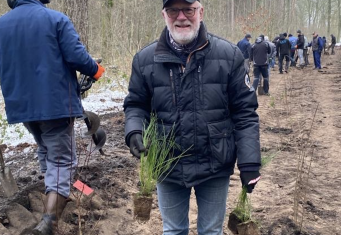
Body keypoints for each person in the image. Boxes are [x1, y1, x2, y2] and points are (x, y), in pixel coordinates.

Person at [123, 0, 261, 234]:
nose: (181, 17)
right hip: (168, 163)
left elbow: (245, 112)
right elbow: (136, 105)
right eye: (173, 10)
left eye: (188, 9)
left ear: (201, 12)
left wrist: (249, 162)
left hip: (215, 161)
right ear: (164, 14)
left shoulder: (229, 55)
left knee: (210, 231)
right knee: (174, 230)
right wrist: (134, 130)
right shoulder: (145, 60)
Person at [0, 0, 105, 234]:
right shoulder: (56, 19)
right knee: (62, 160)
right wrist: (96, 69)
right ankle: (49, 222)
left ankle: (54, 193)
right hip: (55, 104)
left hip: (22, 106)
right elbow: (77, 56)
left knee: (46, 148)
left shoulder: (2, 24)